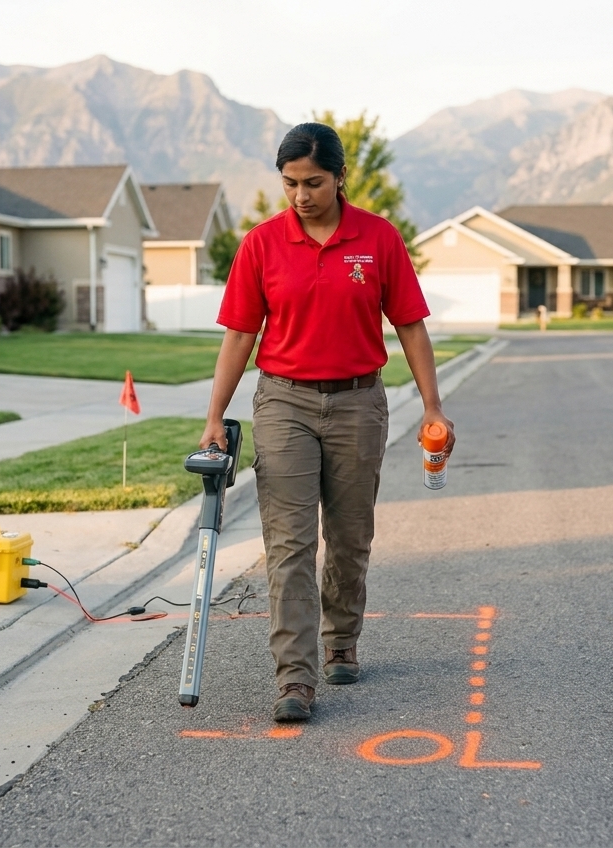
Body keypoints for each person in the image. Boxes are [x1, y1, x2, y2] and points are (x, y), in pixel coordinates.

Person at [199, 122, 455, 722]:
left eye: (312, 182)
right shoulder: (261, 244)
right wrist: (215, 416)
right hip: (283, 402)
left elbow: (411, 325)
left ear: (341, 178)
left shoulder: (379, 238)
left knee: (348, 537)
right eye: (289, 183)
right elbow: (241, 334)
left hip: (359, 403)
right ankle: (294, 677)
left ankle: (342, 639)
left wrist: (433, 406)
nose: (300, 195)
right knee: (288, 543)